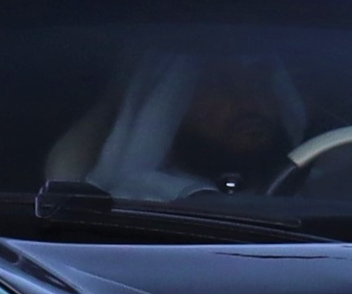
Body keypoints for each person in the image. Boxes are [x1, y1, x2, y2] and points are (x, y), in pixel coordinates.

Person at [84, 52, 306, 200]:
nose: (251, 103)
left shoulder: (325, 197)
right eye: (221, 86)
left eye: (259, 83)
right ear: (172, 108)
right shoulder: (140, 205)